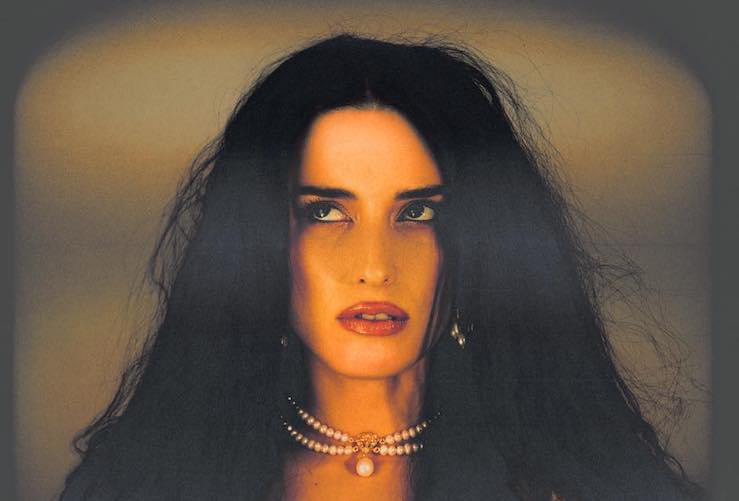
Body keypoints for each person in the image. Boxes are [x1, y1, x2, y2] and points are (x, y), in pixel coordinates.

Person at [59, 34, 703, 500]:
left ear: (481, 240)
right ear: (256, 242)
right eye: (325, 213)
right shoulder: (148, 484)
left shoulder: (574, 485)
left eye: (417, 214)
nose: (374, 267)